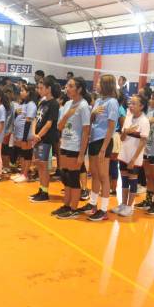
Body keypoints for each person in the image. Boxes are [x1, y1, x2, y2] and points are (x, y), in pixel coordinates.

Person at [80, 75, 119, 221]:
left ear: (106, 85)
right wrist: (92, 114)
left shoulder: (112, 103)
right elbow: (91, 120)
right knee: (95, 174)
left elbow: (111, 126)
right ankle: (93, 204)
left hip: (104, 141)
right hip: (94, 140)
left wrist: (104, 148)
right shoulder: (98, 101)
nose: (96, 85)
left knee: (103, 175)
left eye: (99, 83)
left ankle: (103, 209)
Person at [53, 77, 91, 219]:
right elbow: (59, 126)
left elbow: (86, 131)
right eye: (67, 86)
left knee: (73, 177)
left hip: (75, 147)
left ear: (79, 89)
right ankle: (66, 205)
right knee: (65, 176)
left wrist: (82, 154)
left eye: (71, 86)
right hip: (65, 144)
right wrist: (67, 115)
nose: (67, 88)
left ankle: (74, 208)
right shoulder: (68, 104)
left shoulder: (83, 106)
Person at [113, 94, 149, 217]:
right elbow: (122, 138)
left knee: (132, 181)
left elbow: (143, 142)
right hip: (124, 154)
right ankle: (123, 204)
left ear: (142, 106)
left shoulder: (144, 121)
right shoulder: (128, 118)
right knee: (124, 181)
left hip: (135, 157)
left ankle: (129, 206)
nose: (131, 106)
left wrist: (133, 159)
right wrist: (126, 132)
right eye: (130, 103)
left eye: (134, 104)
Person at [29, 77, 61, 202]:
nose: (39, 90)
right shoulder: (42, 102)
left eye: (41, 88)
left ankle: (45, 192)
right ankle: (41, 189)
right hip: (37, 138)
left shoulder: (54, 104)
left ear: (49, 89)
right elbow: (35, 119)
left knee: (43, 166)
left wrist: (39, 136)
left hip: (46, 139)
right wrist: (33, 133)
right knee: (39, 164)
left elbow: (49, 123)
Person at [12, 85, 37, 184]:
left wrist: (25, 137)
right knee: (22, 154)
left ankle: (26, 174)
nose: (20, 92)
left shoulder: (31, 104)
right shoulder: (23, 104)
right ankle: (22, 172)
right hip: (19, 133)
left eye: (23, 91)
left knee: (27, 154)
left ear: (29, 92)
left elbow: (28, 121)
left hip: (25, 134)